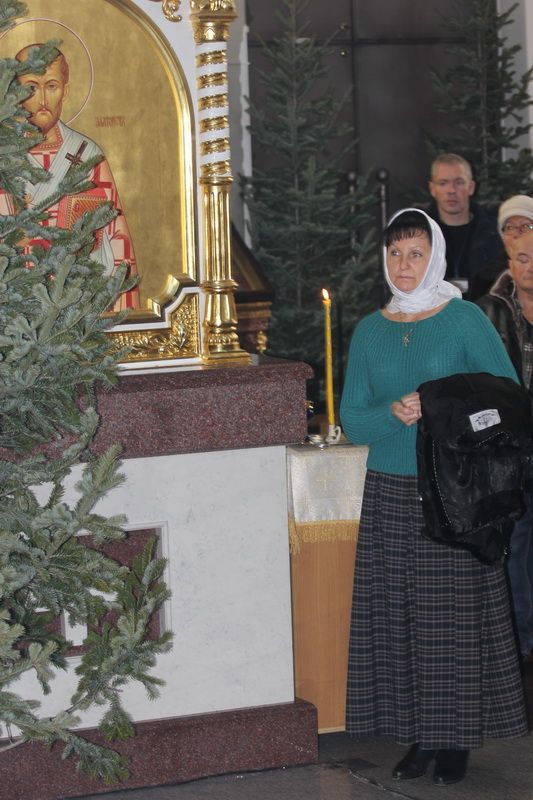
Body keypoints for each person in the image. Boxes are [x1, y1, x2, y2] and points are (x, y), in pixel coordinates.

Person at [340, 207, 527, 787]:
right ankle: (418, 734)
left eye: (415, 253)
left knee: (452, 621)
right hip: (389, 490)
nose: (404, 264)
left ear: (435, 257)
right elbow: (352, 419)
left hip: (453, 490)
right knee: (400, 620)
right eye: (395, 253)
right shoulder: (370, 331)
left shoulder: (464, 319)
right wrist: (391, 414)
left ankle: (454, 741)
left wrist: (445, 409)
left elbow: (507, 398)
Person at [0, 44, 140, 311]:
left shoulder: (87, 155)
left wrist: (125, 318)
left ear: (65, 91)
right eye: (31, 87)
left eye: (51, 86)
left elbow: (116, 240)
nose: (42, 99)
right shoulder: (4, 156)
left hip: (77, 309)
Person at [477, 214, 533, 660]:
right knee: (517, 546)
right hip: (513, 448)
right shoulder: (489, 312)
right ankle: (521, 641)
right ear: (510, 265)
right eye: (523, 258)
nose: (530, 266)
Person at [427, 153, 505, 300]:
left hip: (483, 310)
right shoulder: (420, 232)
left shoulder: (493, 232)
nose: (451, 190)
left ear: (471, 187)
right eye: (443, 183)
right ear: (432, 189)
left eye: (459, 182)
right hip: (433, 311)